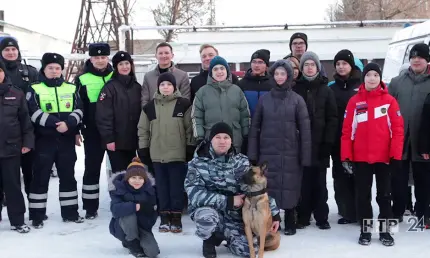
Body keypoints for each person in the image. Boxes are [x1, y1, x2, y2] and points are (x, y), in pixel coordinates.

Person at [185, 122, 281, 258]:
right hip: (211, 212)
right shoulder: (197, 163)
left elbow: (256, 189)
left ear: (231, 141)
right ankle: (209, 240)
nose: (222, 141)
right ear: (210, 139)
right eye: (218, 137)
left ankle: (228, 237)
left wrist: (275, 213)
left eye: (226, 137)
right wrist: (228, 201)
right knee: (206, 216)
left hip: (234, 217)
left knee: (247, 251)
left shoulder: (241, 162)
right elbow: (194, 195)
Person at [341, 63, 404, 246]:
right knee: (363, 196)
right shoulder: (355, 101)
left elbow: (397, 131)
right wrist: (346, 156)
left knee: (384, 196)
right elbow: (347, 132)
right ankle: (366, 231)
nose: (372, 78)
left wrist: (395, 156)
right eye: (369, 75)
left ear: (380, 78)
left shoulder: (390, 101)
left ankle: (385, 232)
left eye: (375, 75)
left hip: (384, 158)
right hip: (361, 159)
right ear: (364, 78)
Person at [247, 60, 312, 236]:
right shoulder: (264, 100)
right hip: (267, 152)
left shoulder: (297, 100)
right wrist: (252, 153)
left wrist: (306, 156)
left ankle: (291, 216)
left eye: (283, 74)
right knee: (270, 186)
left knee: (290, 185)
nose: (280, 77)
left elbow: (305, 129)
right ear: (272, 76)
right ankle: (272, 219)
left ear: (289, 76)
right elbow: (255, 128)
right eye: (277, 74)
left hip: (291, 151)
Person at [27, 53, 84, 228]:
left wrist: (69, 124)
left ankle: (70, 213)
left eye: (57, 68)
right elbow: (33, 112)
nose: (54, 71)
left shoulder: (71, 88)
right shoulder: (34, 88)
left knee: (68, 177)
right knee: (40, 177)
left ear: (62, 69)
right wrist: (54, 124)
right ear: (44, 69)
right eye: (50, 68)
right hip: (44, 140)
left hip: (66, 140)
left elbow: (80, 109)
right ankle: (37, 215)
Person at [137, 72, 194, 233]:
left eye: (169, 84)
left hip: (177, 154)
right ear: (158, 87)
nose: (166, 87)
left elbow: (190, 128)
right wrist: (143, 149)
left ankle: (176, 217)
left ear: (174, 86)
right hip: (157, 154)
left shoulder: (183, 104)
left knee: (176, 187)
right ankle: (164, 216)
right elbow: (143, 130)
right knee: (161, 188)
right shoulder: (149, 107)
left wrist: (190, 146)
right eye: (162, 84)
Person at [293, 51, 338, 230]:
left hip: (320, 144)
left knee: (320, 183)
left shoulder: (326, 90)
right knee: (303, 182)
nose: (309, 68)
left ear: (318, 68)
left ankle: (321, 216)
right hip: (300, 144)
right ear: (302, 68)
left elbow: (332, 118)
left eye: (312, 64)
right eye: (306, 65)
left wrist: (327, 142)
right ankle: (303, 215)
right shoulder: (295, 89)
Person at [388, 43, 430, 227]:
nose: (416, 60)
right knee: (398, 179)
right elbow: (386, 109)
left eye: (420, 57)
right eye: (413, 57)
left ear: (427, 60)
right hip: (400, 139)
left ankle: (423, 214)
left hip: (424, 141)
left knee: (424, 180)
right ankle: (397, 211)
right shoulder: (398, 81)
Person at [75, 42, 113, 220]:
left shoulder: (115, 75)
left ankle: (120, 202)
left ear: (108, 58)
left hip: (115, 131)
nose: (100, 60)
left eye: (103, 57)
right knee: (92, 169)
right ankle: (90, 207)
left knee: (119, 168)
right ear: (90, 58)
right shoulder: (82, 79)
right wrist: (77, 130)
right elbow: (77, 107)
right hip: (92, 132)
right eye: (96, 57)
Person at [0, 37, 38, 198]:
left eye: (13, 49)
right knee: (6, 174)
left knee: (30, 171)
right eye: (6, 50)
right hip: (6, 132)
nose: (10, 52)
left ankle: (33, 205)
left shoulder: (30, 72)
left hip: (29, 129)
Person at [329, 50, 363, 225]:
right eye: (338, 64)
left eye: (345, 63)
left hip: (359, 140)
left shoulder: (361, 86)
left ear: (352, 66)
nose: (341, 67)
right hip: (338, 141)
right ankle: (346, 211)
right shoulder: (331, 88)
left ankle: (361, 211)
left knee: (359, 176)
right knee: (341, 177)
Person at [0, 59, 34, 233]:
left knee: (12, 185)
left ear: (4, 73)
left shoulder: (16, 93)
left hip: (11, 148)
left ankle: (18, 220)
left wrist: (28, 142)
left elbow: (25, 121)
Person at [191, 56, 250, 153]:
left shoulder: (237, 91)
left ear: (227, 71)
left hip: (235, 142)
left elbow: (245, 115)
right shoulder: (202, 92)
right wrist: (200, 137)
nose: (219, 72)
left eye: (222, 68)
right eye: (215, 69)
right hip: (211, 142)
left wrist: (246, 135)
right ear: (211, 73)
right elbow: (196, 117)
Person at [96, 51, 141, 174]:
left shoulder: (137, 87)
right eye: (121, 64)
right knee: (120, 176)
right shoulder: (109, 87)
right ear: (116, 67)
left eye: (127, 63)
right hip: (117, 142)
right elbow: (103, 115)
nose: (125, 67)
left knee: (134, 175)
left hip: (134, 141)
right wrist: (109, 139)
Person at [109, 157, 160, 258]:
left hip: (142, 226)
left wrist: (148, 212)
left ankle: (134, 240)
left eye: (140, 178)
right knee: (128, 213)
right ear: (127, 179)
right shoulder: (118, 189)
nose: (137, 181)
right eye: (133, 178)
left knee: (152, 252)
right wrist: (135, 206)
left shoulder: (150, 191)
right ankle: (132, 243)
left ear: (144, 180)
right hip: (121, 226)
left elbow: (154, 214)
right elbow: (115, 209)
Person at [141, 42, 190, 107]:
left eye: (166, 53)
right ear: (156, 56)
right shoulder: (148, 77)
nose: (163, 56)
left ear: (172, 55)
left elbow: (185, 100)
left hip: (175, 116)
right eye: (160, 53)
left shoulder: (182, 76)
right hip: (154, 116)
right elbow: (144, 100)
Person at [238, 49, 274, 119]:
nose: (256, 65)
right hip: (248, 124)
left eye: (260, 62)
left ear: (266, 65)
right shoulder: (241, 84)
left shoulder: (272, 84)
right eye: (254, 62)